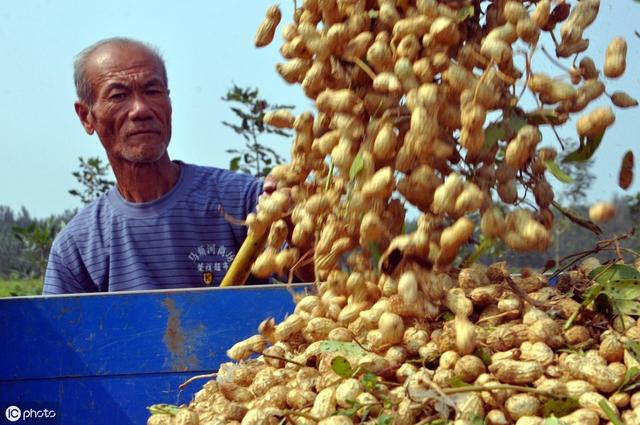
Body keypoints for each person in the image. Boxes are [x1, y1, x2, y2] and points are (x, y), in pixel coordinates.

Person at [43, 37, 273, 294]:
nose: (140, 109)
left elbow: (315, 283)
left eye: (152, 92)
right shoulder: (77, 247)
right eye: (118, 95)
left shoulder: (247, 202)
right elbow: (62, 331)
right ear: (87, 117)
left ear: (169, 102)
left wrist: (300, 214)